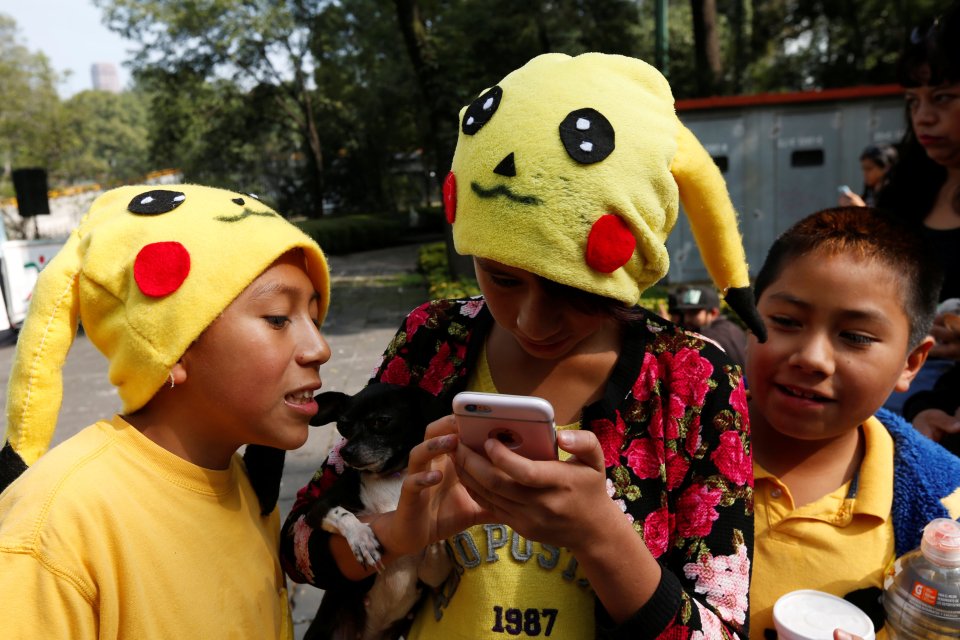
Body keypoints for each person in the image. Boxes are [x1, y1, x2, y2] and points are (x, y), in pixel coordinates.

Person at [282, 52, 764, 638]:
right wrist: (395, 533)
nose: (531, 321)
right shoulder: (433, 340)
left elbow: (721, 627)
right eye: (502, 277)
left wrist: (601, 537)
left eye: (575, 291)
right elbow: (300, 547)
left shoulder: (693, 380)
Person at [0, 184, 332, 638]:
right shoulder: (52, 532)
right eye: (278, 318)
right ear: (170, 348)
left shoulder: (249, 491)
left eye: (314, 318)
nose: (320, 348)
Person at [745, 206, 960, 640]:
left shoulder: (947, 515)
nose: (811, 358)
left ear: (911, 363)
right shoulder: (666, 455)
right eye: (786, 322)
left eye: (856, 337)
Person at [876, 1, 960, 448]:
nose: (924, 116)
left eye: (943, 97)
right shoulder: (905, 190)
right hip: (899, 391)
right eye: (914, 101)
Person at [673, 284, 749, 368]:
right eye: (685, 313)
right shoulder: (734, 328)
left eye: (693, 313)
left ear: (713, 313)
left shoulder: (706, 338)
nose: (687, 319)